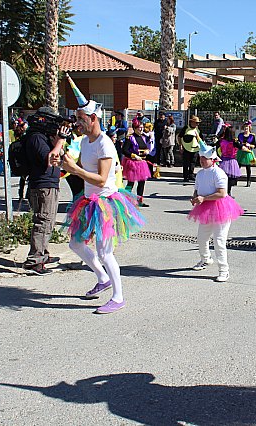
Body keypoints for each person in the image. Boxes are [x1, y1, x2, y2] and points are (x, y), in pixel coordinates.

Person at [56, 91, 145, 314]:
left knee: (105, 253)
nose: (78, 123)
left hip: (106, 203)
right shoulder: (85, 141)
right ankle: (102, 277)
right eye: (77, 119)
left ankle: (118, 297)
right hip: (88, 201)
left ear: (93, 118)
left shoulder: (104, 144)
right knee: (75, 244)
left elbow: (102, 178)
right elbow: (76, 165)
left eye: (81, 119)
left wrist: (75, 170)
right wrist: (64, 163)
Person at [188, 141, 244, 283]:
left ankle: (224, 270)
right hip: (205, 208)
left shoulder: (219, 173)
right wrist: (195, 198)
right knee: (201, 238)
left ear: (212, 160)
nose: (201, 161)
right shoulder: (200, 174)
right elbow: (197, 189)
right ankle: (206, 259)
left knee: (219, 241)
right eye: (200, 158)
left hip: (221, 209)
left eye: (204, 158)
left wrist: (203, 198)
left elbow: (222, 193)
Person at [21, 107, 67, 275]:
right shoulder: (36, 138)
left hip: (48, 184)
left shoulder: (42, 137)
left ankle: (43, 255)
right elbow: (50, 159)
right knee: (43, 222)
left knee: (48, 222)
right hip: (43, 185)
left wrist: (57, 141)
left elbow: (58, 155)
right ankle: (35, 261)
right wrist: (60, 140)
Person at [121, 120, 151, 207]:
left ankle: (139, 201)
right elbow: (124, 150)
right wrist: (133, 156)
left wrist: (147, 151)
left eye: (142, 127)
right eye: (139, 128)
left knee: (142, 183)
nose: (141, 129)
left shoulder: (143, 137)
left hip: (142, 163)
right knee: (131, 182)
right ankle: (124, 199)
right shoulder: (130, 138)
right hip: (133, 163)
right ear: (134, 128)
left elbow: (144, 147)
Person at [217, 126, 242, 196]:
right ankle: (228, 192)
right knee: (230, 178)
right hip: (232, 161)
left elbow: (215, 147)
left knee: (222, 177)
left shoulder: (221, 141)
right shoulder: (234, 142)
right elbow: (242, 147)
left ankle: (223, 191)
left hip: (223, 160)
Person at [178, 115, 202, 182]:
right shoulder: (186, 128)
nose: (197, 124)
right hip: (186, 148)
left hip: (195, 149)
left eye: (198, 123)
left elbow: (201, 139)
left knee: (193, 163)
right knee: (186, 163)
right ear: (192, 122)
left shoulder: (198, 129)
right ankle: (185, 176)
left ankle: (191, 175)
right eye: (196, 123)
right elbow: (179, 137)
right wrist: (180, 145)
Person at [236, 120, 256, 187]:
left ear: (249, 128)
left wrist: (250, 145)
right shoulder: (240, 135)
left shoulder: (252, 136)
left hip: (248, 153)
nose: (246, 129)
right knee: (238, 167)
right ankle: (235, 180)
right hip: (241, 152)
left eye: (247, 128)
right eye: (245, 128)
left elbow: (255, 145)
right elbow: (237, 143)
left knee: (248, 167)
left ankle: (248, 181)